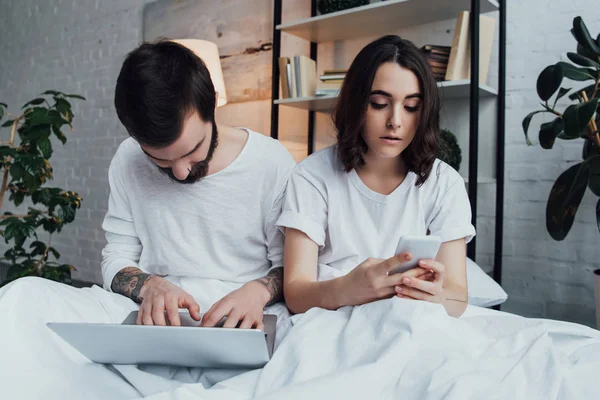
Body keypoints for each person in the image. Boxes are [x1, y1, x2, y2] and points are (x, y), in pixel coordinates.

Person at [0, 40, 295, 398]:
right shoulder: (127, 159)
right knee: (21, 297)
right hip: (149, 312)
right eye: (161, 161)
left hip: (239, 317)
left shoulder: (270, 161)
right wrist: (149, 285)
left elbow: (291, 269)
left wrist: (257, 291)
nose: (182, 173)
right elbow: (116, 257)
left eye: (191, 151)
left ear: (211, 108)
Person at [278, 35, 475, 318]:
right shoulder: (312, 176)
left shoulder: (444, 183)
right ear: (356, 103)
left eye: (411, 107)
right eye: (380, 103)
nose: (395, 121)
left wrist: (437, 296)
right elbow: (295, 294)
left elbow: (458, 300)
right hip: (332, 319)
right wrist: (348, 288)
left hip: (414, 320)